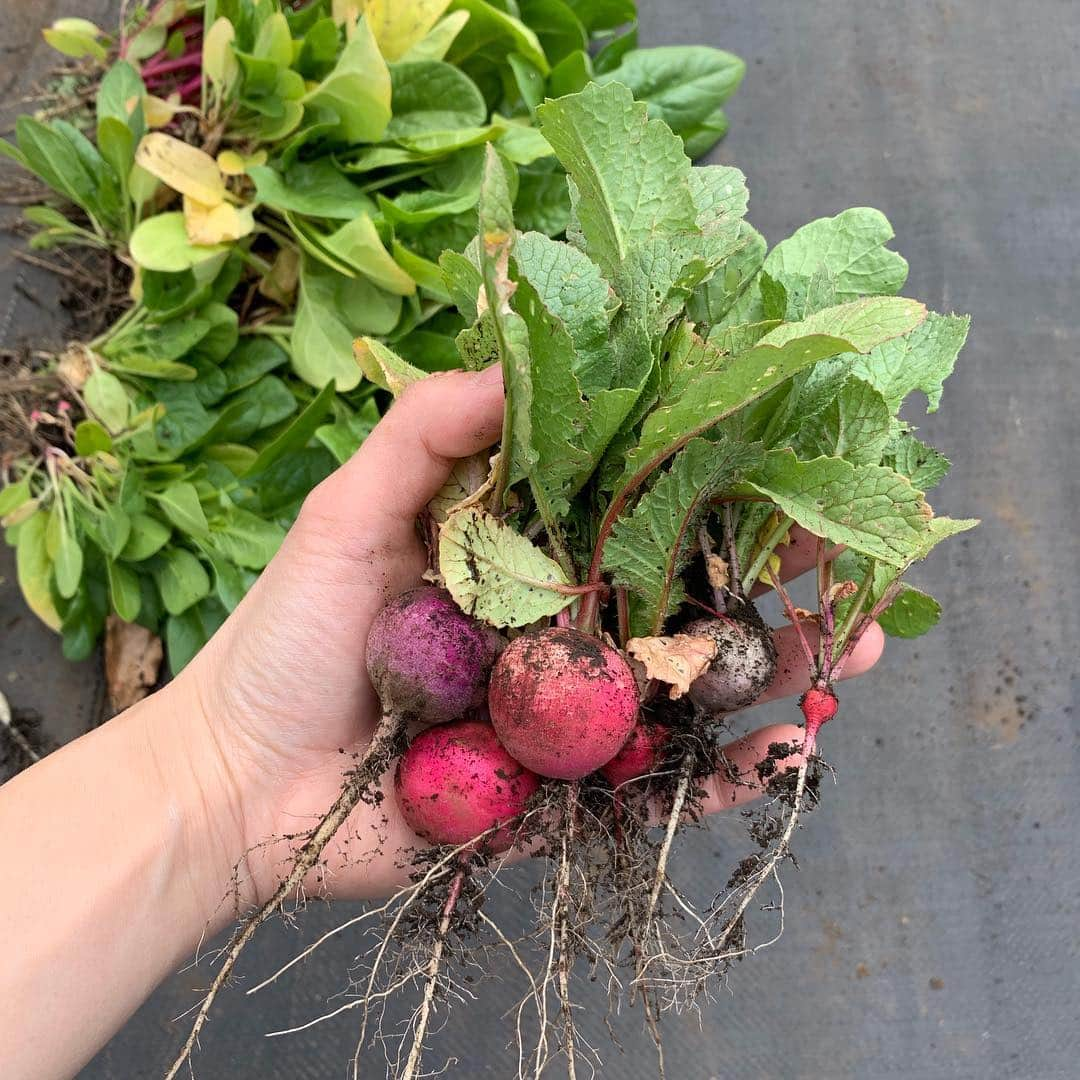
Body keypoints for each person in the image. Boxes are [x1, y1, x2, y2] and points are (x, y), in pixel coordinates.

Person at [0, 366, 884, 1079]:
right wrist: (224, 771)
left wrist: (215, 778)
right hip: (532, 666)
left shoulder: (595, 668)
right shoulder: (495, 653)